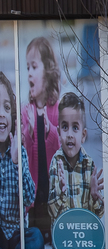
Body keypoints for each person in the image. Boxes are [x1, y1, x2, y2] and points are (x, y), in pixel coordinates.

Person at [0, 71, 45, 249]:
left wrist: (17, 162)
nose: (1, 113)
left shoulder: (21, 153)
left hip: (18, 233)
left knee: (36, 240)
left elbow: (28, 198)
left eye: (6, 107)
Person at [22, 36, 61, 236]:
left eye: (34, 67)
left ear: (47, 71)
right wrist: (28, 132)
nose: (29, 72)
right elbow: (23, 157)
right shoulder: (25, 112)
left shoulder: (56, 110)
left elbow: (61, 151)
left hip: (51, 194)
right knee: (36, 235)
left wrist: (50, 130)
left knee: (52, 233)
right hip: (34, 198)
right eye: (27, 67)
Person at [49, 92, 103, 218]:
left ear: (83, 135)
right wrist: (60, 190)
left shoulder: (89, 165)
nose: (69, 134)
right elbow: (52, 212)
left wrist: (95, 197)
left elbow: (98, 215)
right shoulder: (57, 162)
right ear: (58, 133)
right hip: (63, 235)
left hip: (84, 235)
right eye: (64, 127)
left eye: (75, 127)